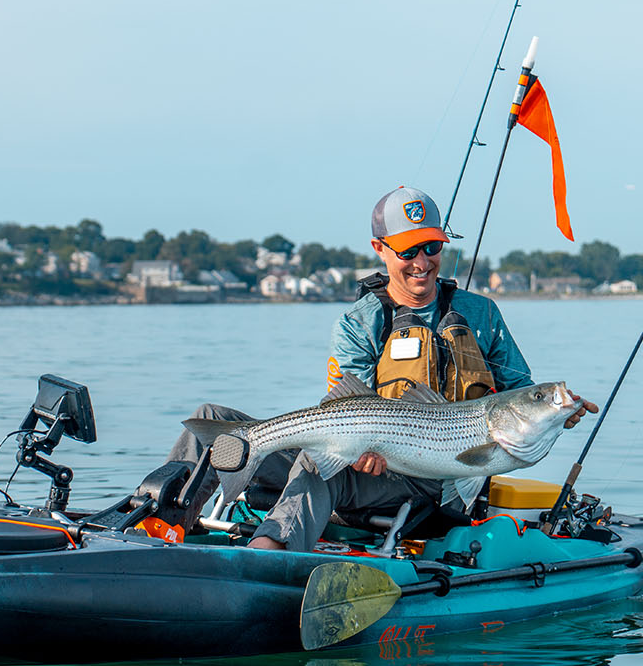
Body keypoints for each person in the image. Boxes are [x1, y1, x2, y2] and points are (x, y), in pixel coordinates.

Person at [167, 186, 596, 552]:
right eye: (408, 250)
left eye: (433, 247)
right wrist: (359, 450)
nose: (423, 262)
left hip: (434, 479)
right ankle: (154, 529)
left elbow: (522, 394)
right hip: (369, 463)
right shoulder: (359, 322)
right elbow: (348, 409)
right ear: (380, 249)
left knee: (320, 462)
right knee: (211, 423)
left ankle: (266, 555)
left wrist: (561, 414)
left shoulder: (480, 314)